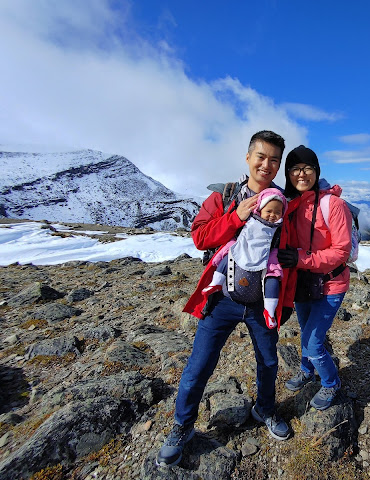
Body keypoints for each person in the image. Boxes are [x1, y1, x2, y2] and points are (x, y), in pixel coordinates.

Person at [156, 131, 297, 467]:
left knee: (268, 362)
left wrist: (286, 297)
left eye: (274, 160)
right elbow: (200, 238)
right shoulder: (224, 197)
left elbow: (286, 252)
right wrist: (235, 217)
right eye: (261, 157)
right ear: (248, 158)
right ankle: (182, 425)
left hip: (262, 302)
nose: (267, 164)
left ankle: (264, 408)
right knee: (199, 365)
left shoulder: (284, 205)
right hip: (222, 299)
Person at [277, 145, 352, 411]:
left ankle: (331, 383)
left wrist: (301, 259)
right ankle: (306, 370)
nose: (302, 174)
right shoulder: (290, 204)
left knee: (313, 341)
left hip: (331, 283)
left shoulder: (334, 204)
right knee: (305, 330)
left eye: (308, 168)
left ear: (317, 171)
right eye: (295, 169)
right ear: (288, 173)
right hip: (303, 284)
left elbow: (341, 251)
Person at [203, 188, 288, 328]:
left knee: (273, 278)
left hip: (267, 256)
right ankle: (216, 282)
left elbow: (278, 246)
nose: (273, 215)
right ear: (260, 209)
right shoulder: (250, 219)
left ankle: (269, 311)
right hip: (243, 249)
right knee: (230, 254)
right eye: (268, 211)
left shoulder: (280, 229)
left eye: (277, 212)